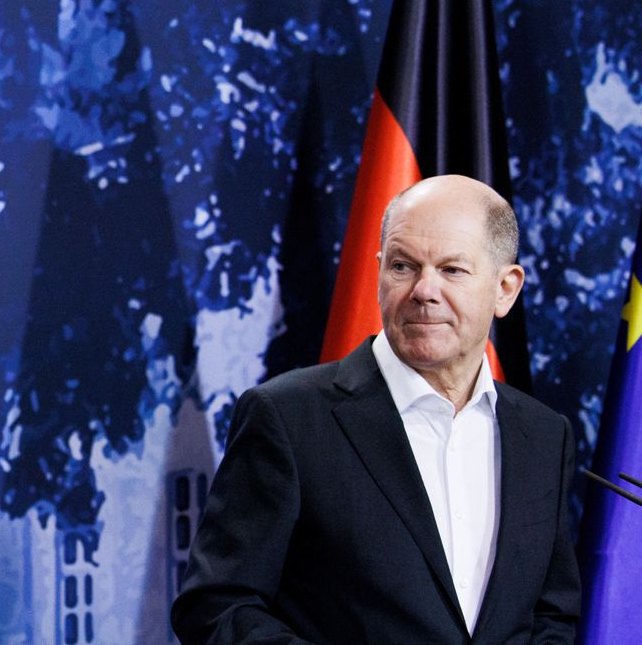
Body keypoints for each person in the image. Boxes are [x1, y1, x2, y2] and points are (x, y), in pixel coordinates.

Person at [171, 175, 580, 644]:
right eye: (404, 267)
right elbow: (217, 605)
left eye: (452, 270)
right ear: (380, 271)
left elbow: (552, 615)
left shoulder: (544, 436)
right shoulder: (288, 418)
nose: (424, 290)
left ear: (505, 288)